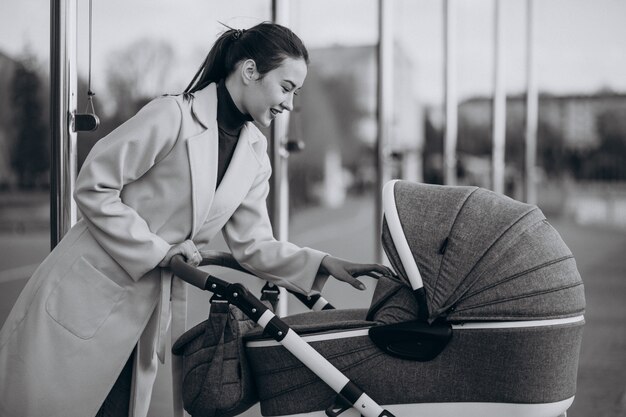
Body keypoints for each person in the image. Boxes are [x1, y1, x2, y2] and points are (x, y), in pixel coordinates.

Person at [0, 22, 392, 417]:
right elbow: (94, 186)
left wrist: (324, 262)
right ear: (250, 71)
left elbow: (254, 245)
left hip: (144, 312)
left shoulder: (255, 155)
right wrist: (160, 252)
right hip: (87, 290)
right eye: (286, 88)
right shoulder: (171, 116)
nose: (289, 104)